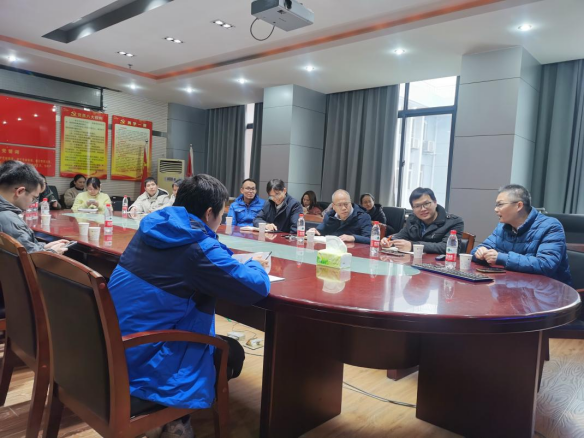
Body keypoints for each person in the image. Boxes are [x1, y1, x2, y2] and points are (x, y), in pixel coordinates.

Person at [107, 174, 270, 438]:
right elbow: (255, 287)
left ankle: (166, 417)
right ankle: (173, 418)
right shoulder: (197, 249)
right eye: (221, 214)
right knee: (232, 352)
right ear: (209, 213)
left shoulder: (152, 227)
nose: (220, 220)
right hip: (144, 358)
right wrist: (255, 264)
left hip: (111, 344)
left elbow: (202, 254)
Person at [471, 184, 572, 284]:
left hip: (548, 289)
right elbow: (476, 251)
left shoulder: (550, 226)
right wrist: (480, 253)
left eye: (500, 204)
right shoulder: (502, 227)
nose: (496, 209)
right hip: (513, 286)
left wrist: (502, 258)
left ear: (519, 206)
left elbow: (546, 265)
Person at [0, 161, 69, 254]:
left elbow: (26, 247)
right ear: (20, 192)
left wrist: (44, 247)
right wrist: (53, 252)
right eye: (33, 198)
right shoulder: (9, 220)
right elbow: (30, 258)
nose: (32, 202)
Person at [381, 187, 463, 254]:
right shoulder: (412, 219)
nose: (423, 209)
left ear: (435, 202)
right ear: (413, 208)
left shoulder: (454, 222)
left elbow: (448, 247)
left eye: (426, 204)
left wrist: (413, 246)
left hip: (439, 266)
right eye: (417, 206)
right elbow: (401, 235)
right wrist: (388, 240)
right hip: (413, 263)